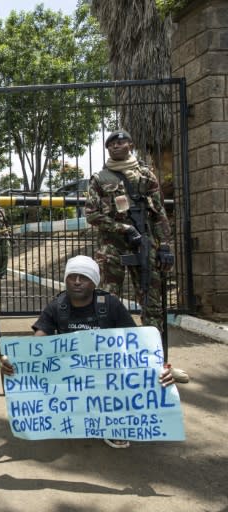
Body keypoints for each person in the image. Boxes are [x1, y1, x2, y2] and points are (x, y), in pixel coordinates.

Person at [0, 255, 177, 449]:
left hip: (108, 376)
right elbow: (38, 346)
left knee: (133, 376)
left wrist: (160, 368)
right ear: (66, 279)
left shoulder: (110, 305)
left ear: (94, 282)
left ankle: (115, 423)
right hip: (71, 376)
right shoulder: (57, 306)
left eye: (83, 277)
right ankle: (71, 412)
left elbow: (138, 345)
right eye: (72, 276)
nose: (76, 281)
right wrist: (17, 362)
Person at [85, 130, 187, 383]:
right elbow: (92, 214)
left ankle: (159, 365)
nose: (116, 145)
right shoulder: (100, 178)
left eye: (121, 141)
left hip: (145, 246)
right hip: (112, 248)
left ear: (131, 144)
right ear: (107, 149)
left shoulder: (145, 175)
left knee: (153, 307)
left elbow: (160, 212)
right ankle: (107, 367)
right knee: (105, 305)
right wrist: (124, 229)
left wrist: (164, 246)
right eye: (111, 143)